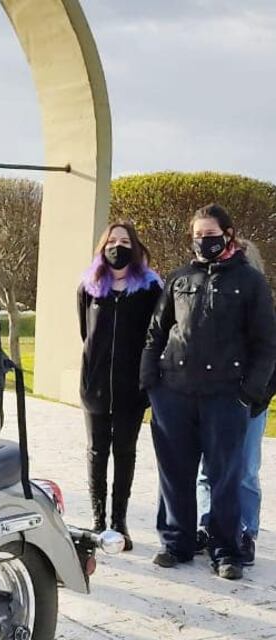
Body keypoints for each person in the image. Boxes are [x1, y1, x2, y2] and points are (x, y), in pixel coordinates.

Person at [141, 204, 276, 580]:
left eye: (210, 234)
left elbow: (267, 343)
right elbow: (157, 331)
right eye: (198, 235)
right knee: (176, 473)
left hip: (225, 396)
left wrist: (249, 391)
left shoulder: (250, 282)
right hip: (174, 394)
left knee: (225, 476)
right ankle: (177, 542)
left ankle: (227, 550)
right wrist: (149, 381)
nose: (204, 241)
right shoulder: (179, 278)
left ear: (229, 235)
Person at [78, 222, 162, 550]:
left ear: (135, 246)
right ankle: (98, 521)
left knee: (124, 451)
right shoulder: (89, 286)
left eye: (124, 241)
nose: (117, 246)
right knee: (97, 452)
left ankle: (119, 520)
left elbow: (155, 334)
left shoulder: (150, 288)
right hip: (95, 384)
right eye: (112, 241)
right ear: (103, 247)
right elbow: (85, 332)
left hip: (131, 386)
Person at [195, 239, 274, 566]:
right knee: (207, 469)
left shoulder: (263, 305)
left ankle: (246, 531)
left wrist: (254, 396)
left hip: (249, 402)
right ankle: (206, 523)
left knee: (244, 469)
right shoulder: (211, 303)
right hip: (213, 398)